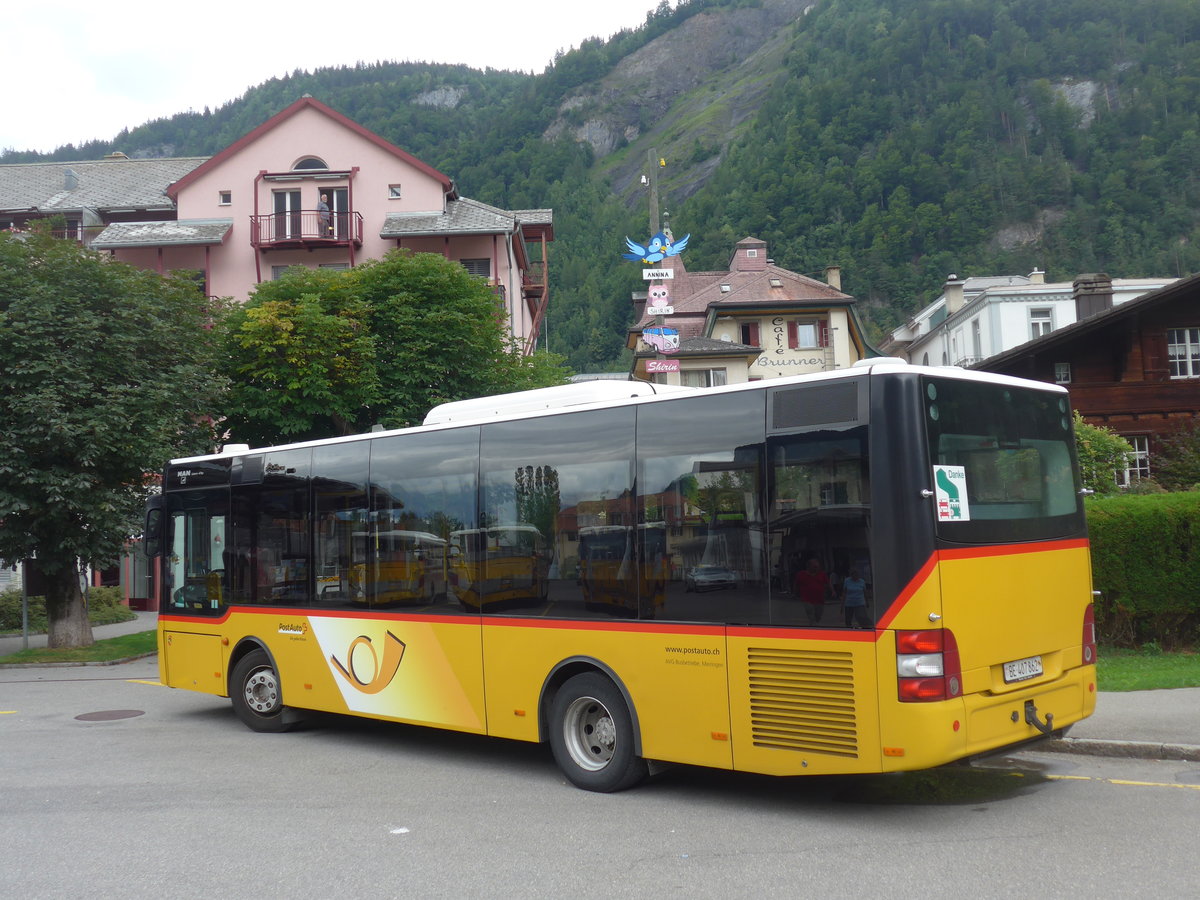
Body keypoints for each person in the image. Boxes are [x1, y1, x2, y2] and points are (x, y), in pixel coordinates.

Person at [792, 557, 831, 625]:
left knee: (818, 616)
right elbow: (796, 584)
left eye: (817, 567)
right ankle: (813, 627)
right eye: (815, 567)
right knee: (811, 615)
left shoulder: (822, 574)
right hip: (807, 599)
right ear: (809, 567)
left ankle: (814, 623)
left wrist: (833, 591)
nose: (817, 568)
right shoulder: (801, 574)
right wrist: (795, 593)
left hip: (819, 600)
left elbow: (828, 583)